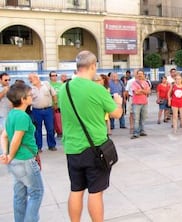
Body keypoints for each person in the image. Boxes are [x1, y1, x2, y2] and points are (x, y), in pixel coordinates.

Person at [59, 50, 123, 222]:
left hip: (72, 147)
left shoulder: (63, 88)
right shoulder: (97, 89)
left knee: (76, 190)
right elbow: (116, 114)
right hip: (94, 148)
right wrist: (118, 102)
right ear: (93, 66)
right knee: (95, 192)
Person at [0, 83, 44, 222]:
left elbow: (4, 136)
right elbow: (16, 140)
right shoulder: (22, 117)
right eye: (30, 95)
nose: (32, 96)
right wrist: (9, 155)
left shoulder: (12, 114)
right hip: (25, 160)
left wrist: (6, 154)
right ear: (23, 99)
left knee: (19, 195)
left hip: (15, 162)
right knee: (36, 193)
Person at [28, 73, 58, 152]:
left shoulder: (46, 84)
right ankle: (38, 147)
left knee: (50, 128)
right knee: (37, 129)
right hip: (36, 111)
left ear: (36, 78)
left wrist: (55, 103)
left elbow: (54, 94)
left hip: (48, 110)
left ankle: (52, 145)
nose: (29, 80)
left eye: (30, 78)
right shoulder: (30, 88)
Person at [130, 69, 151, 139]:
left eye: (141, 74)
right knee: (136, 119)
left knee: (143, 118)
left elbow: (148, 92)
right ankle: (136, 132)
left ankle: (142, 131)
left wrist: (141, 90)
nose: (140, 75)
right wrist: (144, 91)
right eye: (139, 74)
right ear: (137, 75)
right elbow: (136, 92)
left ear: (143, 75)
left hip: (144, 103)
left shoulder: (146, 83)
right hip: (136, 103)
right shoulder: (134, 83)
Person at [49, 71, 63, 137]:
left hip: (60, 106)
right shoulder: (48, 85)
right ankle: (52, 133)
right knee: (52, 121)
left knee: (59, 120)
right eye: (52, 76)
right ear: (50, 77)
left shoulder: (60, 84)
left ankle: (60, 132)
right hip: (51, 106)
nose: (54, 77)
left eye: (55, 75)